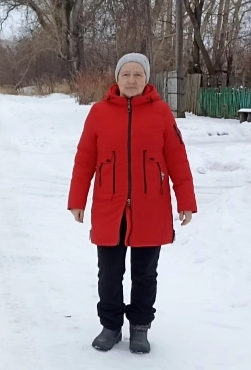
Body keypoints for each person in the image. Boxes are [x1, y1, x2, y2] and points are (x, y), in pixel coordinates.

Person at [67, 53, 197, 354]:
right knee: (109, 272)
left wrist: (186, 202)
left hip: (151, 206)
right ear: (117, 78)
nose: (131, 80)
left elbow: (178, 159)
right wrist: (77, 200)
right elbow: (84, 159)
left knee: (144, 273)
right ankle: (110, 326)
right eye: (126, 74)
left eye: (138, 74)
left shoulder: (162, 113)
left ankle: (140, 327)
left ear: (147, 79)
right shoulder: (99, 113)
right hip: (109, 206)